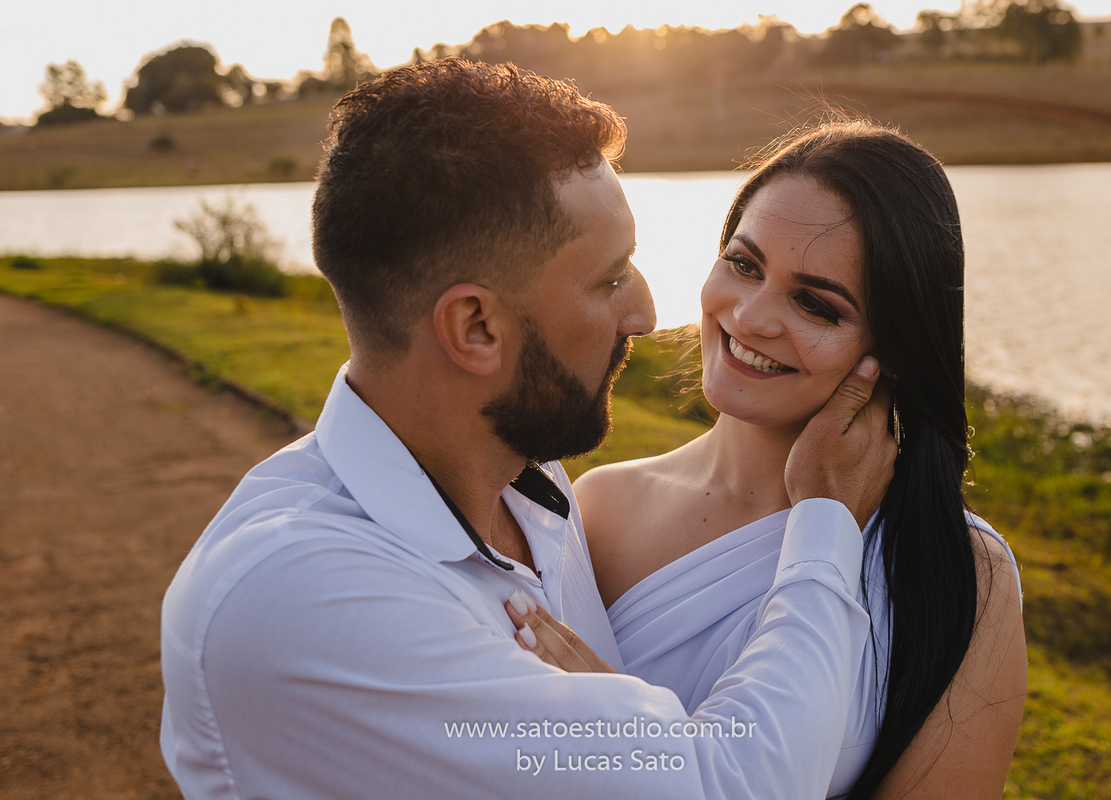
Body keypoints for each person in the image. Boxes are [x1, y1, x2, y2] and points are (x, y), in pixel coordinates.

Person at [159, 60, 898, 799]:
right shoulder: (302, 594)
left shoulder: (530, 488)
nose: (645, 312)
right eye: (610, 280)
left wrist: (636, 733)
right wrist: (827, 520)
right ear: (476, 327)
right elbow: (732, 787)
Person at [547, 122, 1027, 798]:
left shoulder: (961, 571)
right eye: (744, 265)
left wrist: (626, 741)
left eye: (814, 303)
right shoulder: (600, 509)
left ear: (893, 344)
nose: (750, 316)